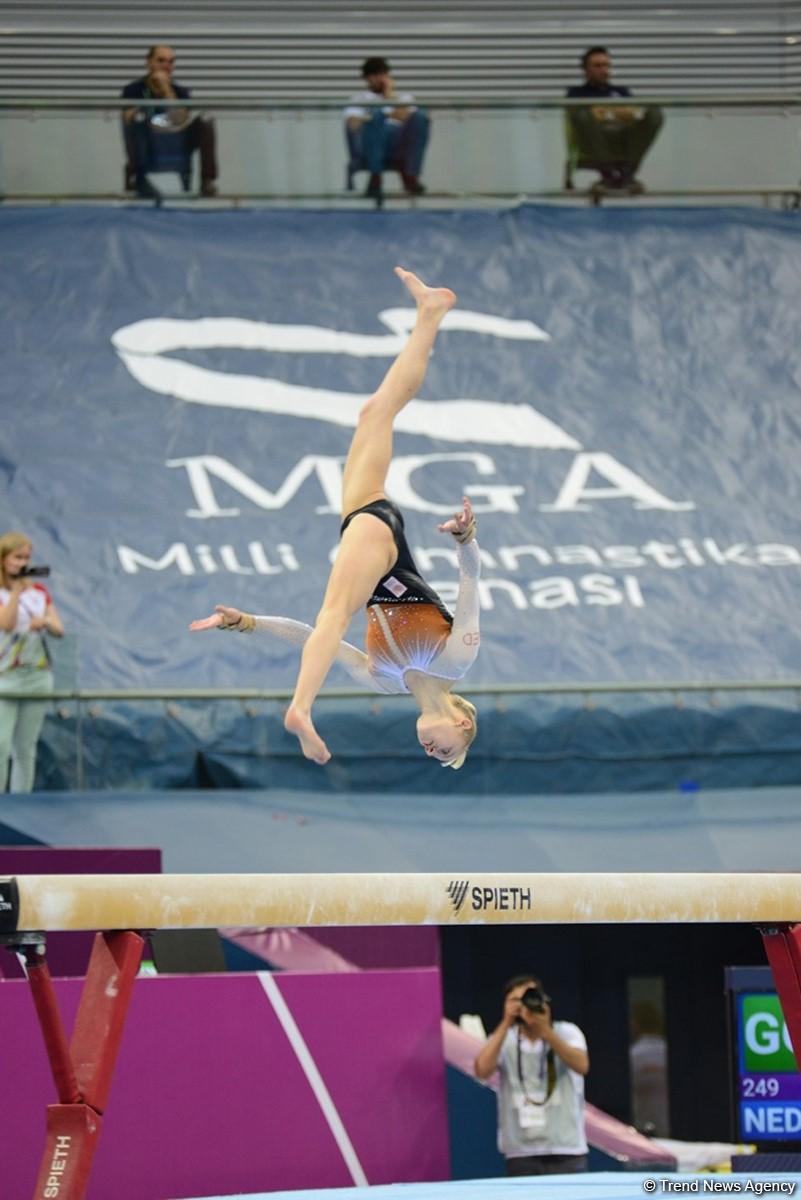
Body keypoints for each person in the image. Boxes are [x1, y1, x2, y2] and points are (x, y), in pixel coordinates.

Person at [190, 267, 479, 768]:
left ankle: (430, 312)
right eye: (448, 752)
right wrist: (465, 540)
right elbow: (471, 583)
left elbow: (311, 640)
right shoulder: (457, 659)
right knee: (333, 612)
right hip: (382, 543)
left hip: (367, 530)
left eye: (434, 757)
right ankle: (300, 709)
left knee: (376, 413)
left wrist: (249, 623)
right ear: (463, 723)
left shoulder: (382, 680)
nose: (434, 752)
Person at [474, 974, 590, 1176]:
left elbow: (581, 1065)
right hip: (521, 1152)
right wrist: (505, 1023)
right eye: (515, 1000)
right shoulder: (504, 1040)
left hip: (566, 1149)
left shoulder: (567, 1032)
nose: (524, 1005)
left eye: (529, 997)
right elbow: (482, 1070)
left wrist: (545, 1030)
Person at [0, 532, 64, 792]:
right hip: (5, 677)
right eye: (17, 557)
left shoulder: (39, 592)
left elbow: (59, 629)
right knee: (1, 744)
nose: (22, 563)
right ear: (3, 559)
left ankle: (20, 801)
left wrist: (45, 622)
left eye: (26, 558)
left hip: (36, 677)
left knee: (25, 747)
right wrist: (15, 592)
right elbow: (6, 623)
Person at [121, 44, 219, 198]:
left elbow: (181, 119)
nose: (167, 65)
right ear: (149, 63)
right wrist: (143, 108)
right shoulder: (133, 89)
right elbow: (126, 118)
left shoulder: (180, 91)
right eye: (161, 60)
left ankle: (207, 180)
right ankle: (136, 175)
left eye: (171, 62)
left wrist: (167, 91)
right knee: (136, 120)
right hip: (148, 138)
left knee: (205, 121)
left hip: (176, 138)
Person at [565, 46, 662, 196]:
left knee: (655, 113)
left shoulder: (621, 91)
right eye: (597, 66)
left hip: (624, 136)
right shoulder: (576, 93)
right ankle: (609, 174)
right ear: (585, 69)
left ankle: (627, 175)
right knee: (582, 115)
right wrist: (616, 112)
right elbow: (583, 117)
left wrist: (603, 112)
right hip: (593, 140)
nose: (603, 70)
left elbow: (634, 113)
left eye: (606, 65)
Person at [344, 57, 430, 201]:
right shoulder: (358, 99)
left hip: (399, 142)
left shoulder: (403, 98)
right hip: (370, 142)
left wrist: (389, 96)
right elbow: (353, 124)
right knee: (377, 116)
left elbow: (408, 119)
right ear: (366, 78)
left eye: (382, 74)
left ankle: (411, 175)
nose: (379, 79)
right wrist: (380, 116)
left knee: (420, 116)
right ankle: (375, 176)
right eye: (375, 75)